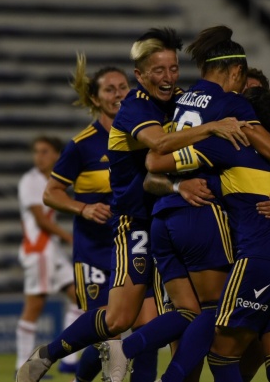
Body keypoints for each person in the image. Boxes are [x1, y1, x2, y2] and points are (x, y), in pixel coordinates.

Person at [16, 27, 248, 382]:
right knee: (118, 319)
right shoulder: (133, 107)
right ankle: (49, 354)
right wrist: (213, 127)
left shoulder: (181, 101)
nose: (168, 77)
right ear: (140, 76)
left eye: (173, 68)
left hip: (171, 220)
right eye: (159, 70)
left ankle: (129, 361)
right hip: (134, 223)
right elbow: (159, 145)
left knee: (176, 316)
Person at [97, 26, 270, 382]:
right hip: (201, 218)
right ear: (236, 73)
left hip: (163, 217)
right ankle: (130, 350)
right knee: (216, 312)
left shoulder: (183, 100)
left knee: (187, 313)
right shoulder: (231, 115)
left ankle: (112, 354)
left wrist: (177, 183)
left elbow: (153, 162)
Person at [146, 86, 270, 382]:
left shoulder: (226, 146)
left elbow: (154, 164)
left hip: (261, 257)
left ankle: (156, 370)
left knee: (220, 354)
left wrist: (204, 131)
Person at [42, 55, 159, 382]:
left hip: (134, 243)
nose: (118, 94)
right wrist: (84, 208)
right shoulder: (82, 146)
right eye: (110, 89)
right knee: (108, 329)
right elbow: (51, 193)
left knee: (148, 326)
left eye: (123, 87)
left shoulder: (142, 136)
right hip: (96, 250)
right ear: (95, 99)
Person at [15, 136, 82, 375]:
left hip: (51, 250)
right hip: (39, 250)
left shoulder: (52, 179)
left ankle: (69, 361)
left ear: (56, 155)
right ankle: (22, 366)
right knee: (34, 307)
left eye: (44, 151)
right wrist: (69, 236)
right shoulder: (30, 180)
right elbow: (40, 219)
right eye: (36, 152)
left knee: (79, 297)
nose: (39, 157)